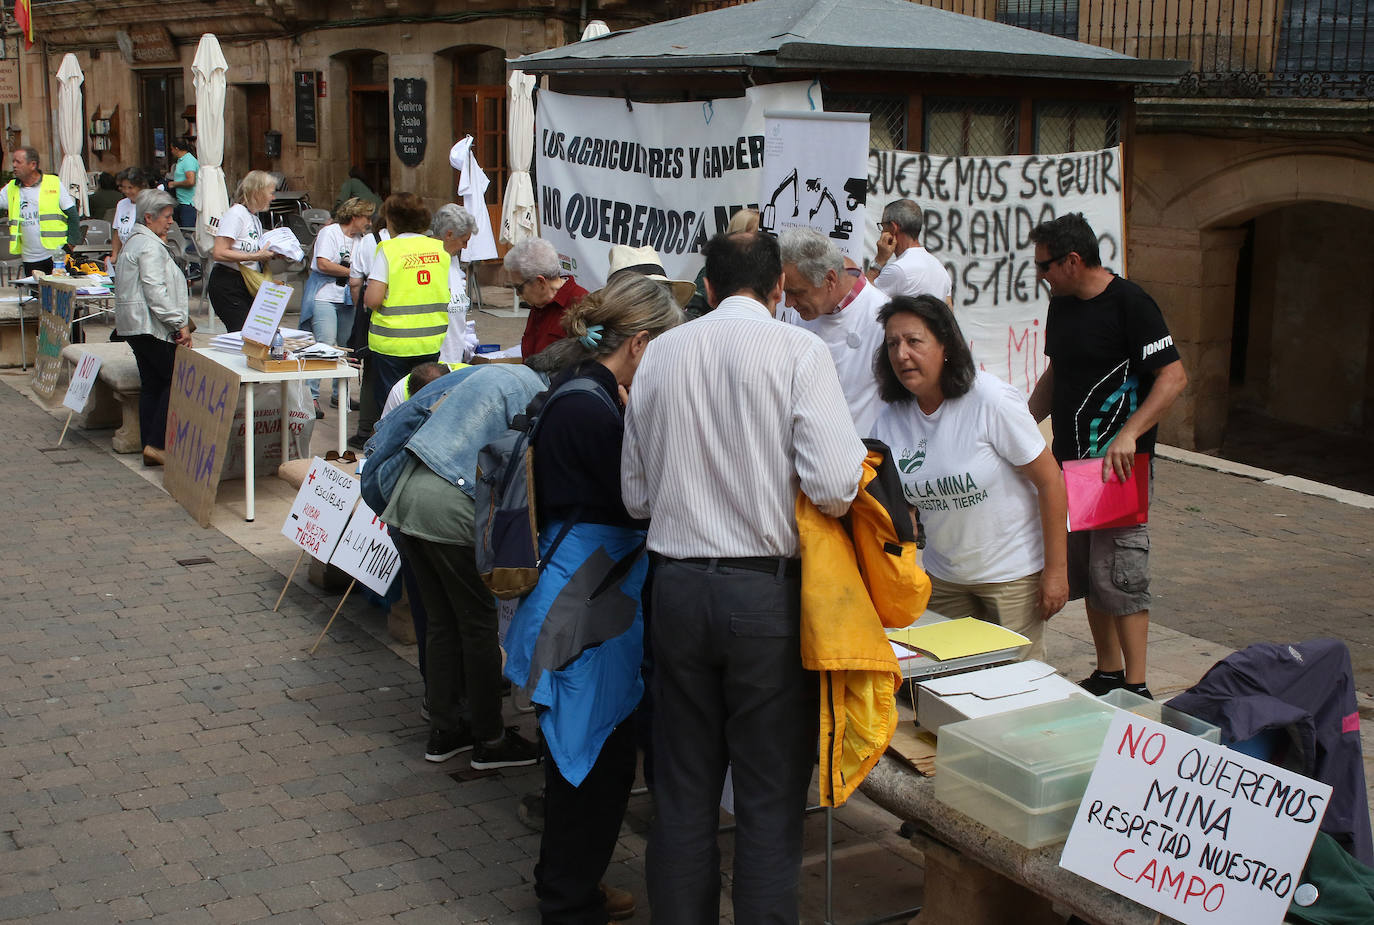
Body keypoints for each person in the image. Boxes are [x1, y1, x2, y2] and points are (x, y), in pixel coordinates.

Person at [621, 231, 865, 923]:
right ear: (779, 288)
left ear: (704, 285)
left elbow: (636, 497)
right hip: (764, 595)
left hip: (674, 588)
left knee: (683, 789)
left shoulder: (661, 353)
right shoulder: (799, 351)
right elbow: (836, 484)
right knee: (767, 797)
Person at [503, 274, 683, 925]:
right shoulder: (589, 405)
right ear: (639, 343)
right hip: (587, 601)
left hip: (590, 593)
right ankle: (568, 899)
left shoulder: (586, 388)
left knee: (588, 755)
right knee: (589, 762)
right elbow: (632, 498)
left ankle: (570, 884)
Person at [1026, 212, 1188, 700]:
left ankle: (1136, 684)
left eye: (1046, 265)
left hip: (1118, 467)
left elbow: (1173, 377)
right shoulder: (1063, 303)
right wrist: (1020, 423)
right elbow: (1057, 373)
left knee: (1121, 573)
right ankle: (1108, 672)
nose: (1041, 274)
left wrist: (1130, 434)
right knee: (1090, 574)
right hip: (1071, 462)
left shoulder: (1131, 304)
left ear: (1073, 261)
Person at [368, 362, 547, 770]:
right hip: (447, 509)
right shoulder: (529, 389)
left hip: (409, 498)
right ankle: (489, 739)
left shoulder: (492, 375)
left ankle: (445, 729)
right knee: (477, 626)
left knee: (443, 622)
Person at [869, 294, 1068, 661]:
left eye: (914, 341)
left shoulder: (991, 401)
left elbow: (1050, 481)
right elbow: (902, 505)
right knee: (951, 683)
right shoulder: (890, 420)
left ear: (945, 345)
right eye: (893, 344)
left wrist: (1056, 571)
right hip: (945, 579)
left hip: (1012, 578)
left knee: (1015, 686)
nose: (901, 354)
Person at [778, 227, 889, 433]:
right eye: (786, 293)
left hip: (863, 456)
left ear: (830, 279)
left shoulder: (881, 317)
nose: (789, 303)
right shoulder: (801, 313)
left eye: (797, 293)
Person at [113, 189, 191, 469]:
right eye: (167, 217)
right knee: (176, 379)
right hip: (148, 325)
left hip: (135, 325)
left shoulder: (135, 242)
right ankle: (157, 443)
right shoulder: (147, 245)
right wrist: (177, 322)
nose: (170, 222)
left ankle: (151, 445)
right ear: (149, 217)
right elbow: (155, 291)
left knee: (153, 384)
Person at [364, 192, 449, 407]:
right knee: (425, 400)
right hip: (430, 339)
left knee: (393, 403)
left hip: (392, 342)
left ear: (391, 220)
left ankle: (394, 440)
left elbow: (372, 299)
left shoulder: (389, 250)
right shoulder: (439, 249)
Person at [304, 197, 374, 415]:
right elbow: (323, 263)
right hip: (325, 294)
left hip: (348, 296)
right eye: (366, 217)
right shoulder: (331, 232)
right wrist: (354, 273)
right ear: (354, 216)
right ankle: (311, 396)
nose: (369, 222)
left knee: (347, 346)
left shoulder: (363, 239)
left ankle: (340, 394)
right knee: (325, 343)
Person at [209, 170, 277, 332]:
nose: (273, 198)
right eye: (271, 193)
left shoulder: (253, 217)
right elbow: (219, 252)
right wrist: (255, 256)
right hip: (229, 282)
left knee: (255, 334)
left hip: (246, 283)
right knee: (243, 334)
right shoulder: (236, 214)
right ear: (257, 192)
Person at [504, 238, 587, 359]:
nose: (517, 294)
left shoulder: (581, 304)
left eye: (519, 287)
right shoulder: (539, 302)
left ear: (540, 282)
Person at [4, 146, 80, 275]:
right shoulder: (11, 188)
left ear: (32, 165)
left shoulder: (53, 183)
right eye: (13, 162)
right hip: (30, 258)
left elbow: (72, 215)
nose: (14, 165)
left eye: (18, 162)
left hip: (56, 254)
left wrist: (71, 244)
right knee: (35, 293)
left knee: (59, 292)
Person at [869, 198, 952, 304]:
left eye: (883, 226)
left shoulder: (898, 269)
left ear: (893, 228)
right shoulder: (940, 269)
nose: (882, 232)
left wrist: (879, 261)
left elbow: (862, 298)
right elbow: (949, 313)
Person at [686, 207, 757, 318]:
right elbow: (693, 313)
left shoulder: (764, 273)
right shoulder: (714, 271)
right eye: (756, 235)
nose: (762, 242)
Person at [431, 204, 480, 365]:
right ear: (449, 235)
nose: (465, 247)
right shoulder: (430, 261)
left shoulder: (453, 259)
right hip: (435, 361)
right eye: (463, 241)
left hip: (455, 359)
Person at [110, 167, 153, 264]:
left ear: (141, 186)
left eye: (130, 187)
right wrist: (114, 255)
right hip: (126, 257)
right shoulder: (121, 204)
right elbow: (117, 232)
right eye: (124, 187)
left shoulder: (150, 204)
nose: (126, 191)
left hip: (145, 257)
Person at [167, 136, 199, 229]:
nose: (171, 152)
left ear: (176, 149)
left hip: (189, 203)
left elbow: (191, 181)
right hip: (182, 201)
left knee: (187, 231)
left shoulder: (188, 161)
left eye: (172, 149)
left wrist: (174, 184)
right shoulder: (181, 161)